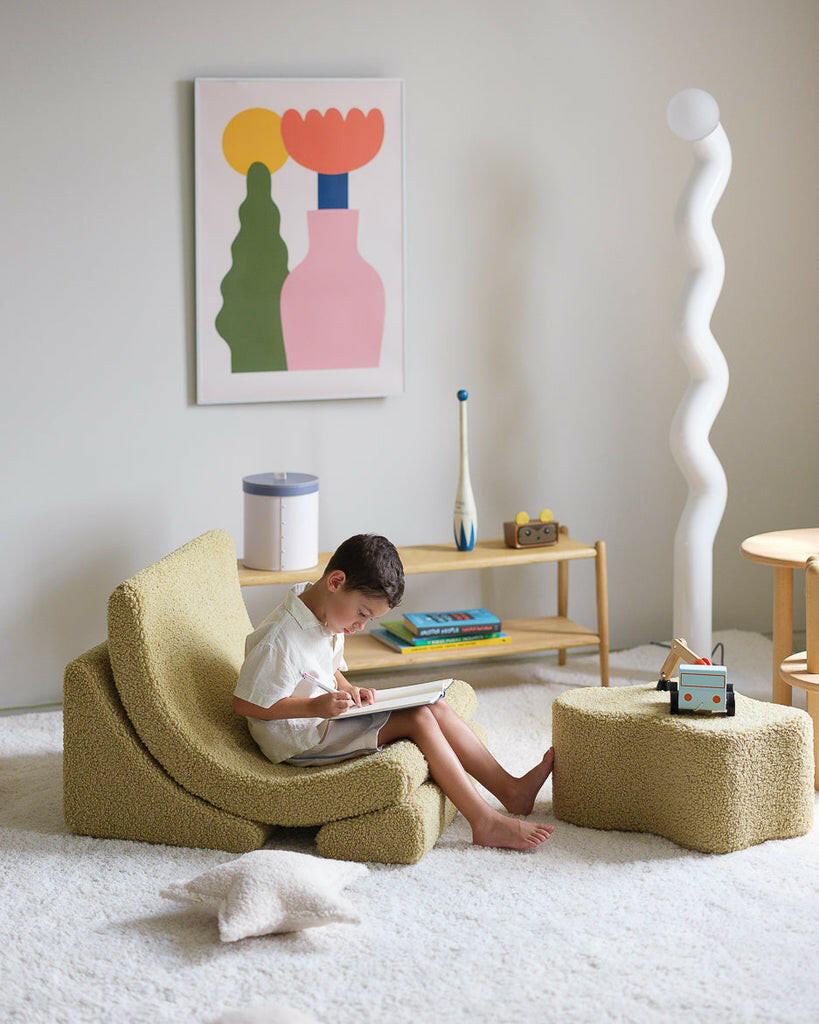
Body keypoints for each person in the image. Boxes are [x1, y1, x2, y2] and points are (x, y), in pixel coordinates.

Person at [232, 533, 555, 851]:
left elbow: (325, 668)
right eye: (362, 613)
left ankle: (510, 790)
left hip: (324, 716)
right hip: (299, 741)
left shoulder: (324, 612)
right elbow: (246, 704)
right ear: (335, 581)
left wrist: (348, 689)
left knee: (436, 707)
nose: (361, 626)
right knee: (418, 719)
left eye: (369, 619)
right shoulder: (280, 639)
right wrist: (315, 707)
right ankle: (484, 822)